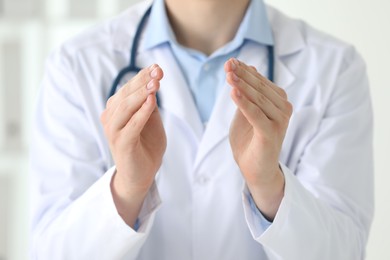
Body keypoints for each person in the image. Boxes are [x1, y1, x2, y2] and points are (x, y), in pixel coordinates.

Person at [29, 0, 374, 259]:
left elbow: (342, 252)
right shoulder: (77, 65)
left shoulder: (334, 68)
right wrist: (127, 188)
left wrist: (269, 185)